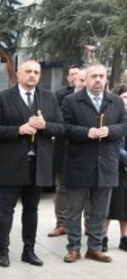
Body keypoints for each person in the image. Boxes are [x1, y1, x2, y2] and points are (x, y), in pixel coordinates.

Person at [0, 60, 64, 267]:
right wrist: (18, 130)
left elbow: (61, 127)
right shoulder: (3, 97)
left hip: (39, 163)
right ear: (18, 74)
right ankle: (3, 251)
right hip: (12, 161)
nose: (32, 75)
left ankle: (29, 251)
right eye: (28, 71)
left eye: (36, 72)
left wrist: (45, 125)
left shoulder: (48, 97)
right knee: (6, 208)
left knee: (32, 209)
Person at [60, 64, 127, 263]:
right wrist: (86, 132)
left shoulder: (115, 101)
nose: (98, 80)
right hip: (79, 164)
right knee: (74, 211)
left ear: (106, 79)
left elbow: (124, 125)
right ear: (86, 79)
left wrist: (109, 131)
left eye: (101, 76)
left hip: (106, 164)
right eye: (94, 76)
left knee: (100, 211)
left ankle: (95, 247)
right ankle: (73, 248)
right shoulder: (71, 101)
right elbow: (64, 127)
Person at [50, 66, 87, 237]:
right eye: (80, 79)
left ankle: (89, 225)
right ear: (73, 80)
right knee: (62, 189)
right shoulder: (62, 97)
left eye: (85, 79)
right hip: (64, 150)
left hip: (86, 152)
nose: (82, 83)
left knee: (89, 191)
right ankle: (61, 224)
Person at [104, 84, 127, 253]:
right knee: (108, 203)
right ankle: (102, 237)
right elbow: (112, 144)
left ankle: (124, 237)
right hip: (112, 165)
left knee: (125, 204)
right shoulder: (111, 117)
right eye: (124, 97)